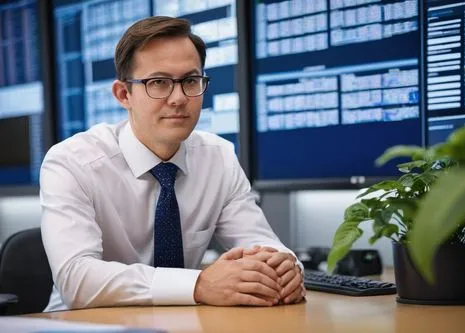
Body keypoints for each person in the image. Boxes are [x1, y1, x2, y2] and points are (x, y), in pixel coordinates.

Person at [40, 16, 305, 311]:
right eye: (159, 82)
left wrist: (285, 266)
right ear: (123, 94)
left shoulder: (219, 157)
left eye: (190, 81)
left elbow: (260, 243)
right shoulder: (72, 163)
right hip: (81, 325)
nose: (179, 98)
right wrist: (199, 284)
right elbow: (76, 280)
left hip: (184, 322)